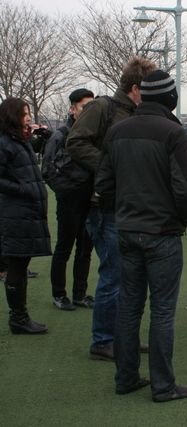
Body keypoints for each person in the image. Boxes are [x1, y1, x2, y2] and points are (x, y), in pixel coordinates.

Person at [95, 70, 187, 402]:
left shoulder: (117, 131)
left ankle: (125, 378)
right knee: (163, 310)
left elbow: (103, 184)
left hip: (126, 230)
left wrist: (123, 211)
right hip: (162, 234)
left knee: (128, 306)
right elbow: (185, 189)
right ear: (171, 99)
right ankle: (163, 386)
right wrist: (179, 221)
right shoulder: (173, 132)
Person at [67, 57, 157, 360]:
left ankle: (122, 338)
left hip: (128, 206)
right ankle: (103, 341)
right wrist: (112, 168)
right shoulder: (103, 107)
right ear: (136, 88)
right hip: (104, 207)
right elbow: (75, 142)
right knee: (114, 274)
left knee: (130, 275)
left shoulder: (136, 112)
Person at [0, 97, 51, 334]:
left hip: (24, 211)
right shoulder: (5, 142)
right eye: (24, 113)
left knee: (20, 264)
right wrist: (23, 190)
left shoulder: (19, 140)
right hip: (15, 211)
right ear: (12, 115)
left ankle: (20, 316)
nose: (28, 116)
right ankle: (18, 318)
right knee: (17, 266)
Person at [47, 88, 95, 311]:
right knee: (64, 248)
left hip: (90, 201)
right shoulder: (60, 135)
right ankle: (59, 294)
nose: (88, 112)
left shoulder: (93, 135)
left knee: (85, 250)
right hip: (69, 201)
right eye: (85, 107)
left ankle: (80, 293)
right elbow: (46, 170)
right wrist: (64, 191)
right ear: (72, 108)